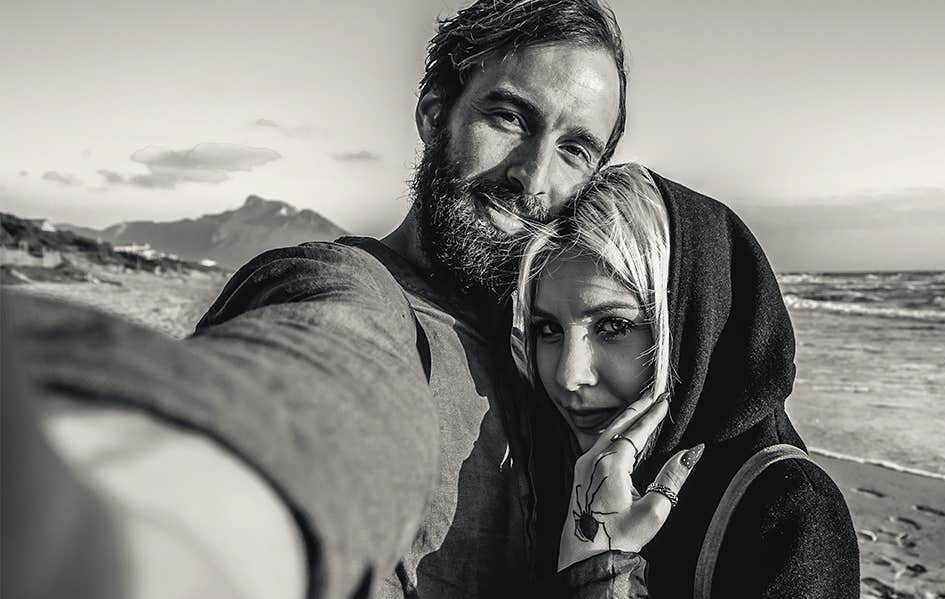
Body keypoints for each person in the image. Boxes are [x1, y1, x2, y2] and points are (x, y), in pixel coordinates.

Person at [3, 1, 628, 598]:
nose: (534, 175)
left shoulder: (552, 354)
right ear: (436, 114)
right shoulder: (347, 287)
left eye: (574, 149)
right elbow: (322, 379)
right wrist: (141, 527)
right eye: (510, 117)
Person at [511, 164, 860, 597]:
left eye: (614, 326)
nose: (569, 376)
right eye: (549, 329)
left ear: (696, 327)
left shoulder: (788, 513)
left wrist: (600, 573)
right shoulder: (542, 466)